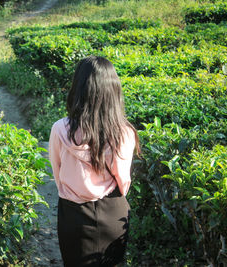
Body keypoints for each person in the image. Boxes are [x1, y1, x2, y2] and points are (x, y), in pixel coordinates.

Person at [49, 56, 140, 267]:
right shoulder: (124, 132)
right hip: (113, 213)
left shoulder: (60, 129)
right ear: (113, 91)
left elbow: (57, 172)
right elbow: (123, 182)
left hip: (73, 214)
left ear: (78, 88)